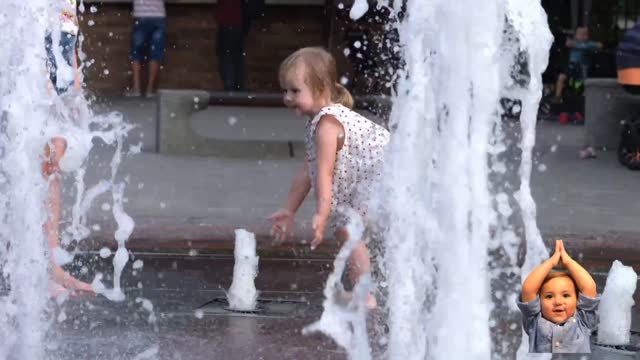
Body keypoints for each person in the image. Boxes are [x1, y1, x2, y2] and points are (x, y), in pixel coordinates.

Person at [268, 47, 390, 310]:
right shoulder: (320, 120)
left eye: (295, 90)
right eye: (285, 90)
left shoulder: (327, 124)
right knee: (349, 228)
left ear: (321, 87)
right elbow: (308, 171)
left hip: (385, 175)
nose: (287, 97)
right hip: (372, 177)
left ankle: (364, 295)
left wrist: (322, 216)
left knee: (347, 228)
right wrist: (289, 210)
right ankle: (366, 290)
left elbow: (322, 175)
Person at [44, 0, 94, 297]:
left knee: (50, 175)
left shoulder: (67, 2)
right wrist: (46, 90)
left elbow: (70, 45)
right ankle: (43, 269)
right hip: (29, 94)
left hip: (56, 95)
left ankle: (50, 266)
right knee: (40, 174)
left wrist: (77, 89)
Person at [517, 240, 599, 353]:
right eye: (549, 296)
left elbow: (589, 288)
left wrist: (567, 261)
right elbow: (528, 289)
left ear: (577, 300)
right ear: (539, 301)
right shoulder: (534, 320)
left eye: (566, 295)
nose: (558, 301)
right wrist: (551, 262)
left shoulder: (583, 320)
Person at [553, 27, 603, 120]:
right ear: (576, 35)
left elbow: (600, 45)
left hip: (582, 69)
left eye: (585, 34)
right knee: (561, 77)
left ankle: (583, 104)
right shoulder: (572, 43)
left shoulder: (588, 44)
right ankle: (557, 97)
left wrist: (581, 46)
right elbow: (567, 43)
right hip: (572, 67)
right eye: (580, 34)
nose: (583, 36)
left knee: (581, 85)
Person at [126, 0, 167, 97]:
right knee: (155, 53)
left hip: (141, 15)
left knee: (136, 53)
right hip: (158, 15)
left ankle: (136, 88)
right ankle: (150, 89)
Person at [216, 0, 249, 91]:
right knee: (237, 55)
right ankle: (238, 87)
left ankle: (230, 89)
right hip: (241, 21)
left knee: (227, 55)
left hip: (228, 20)